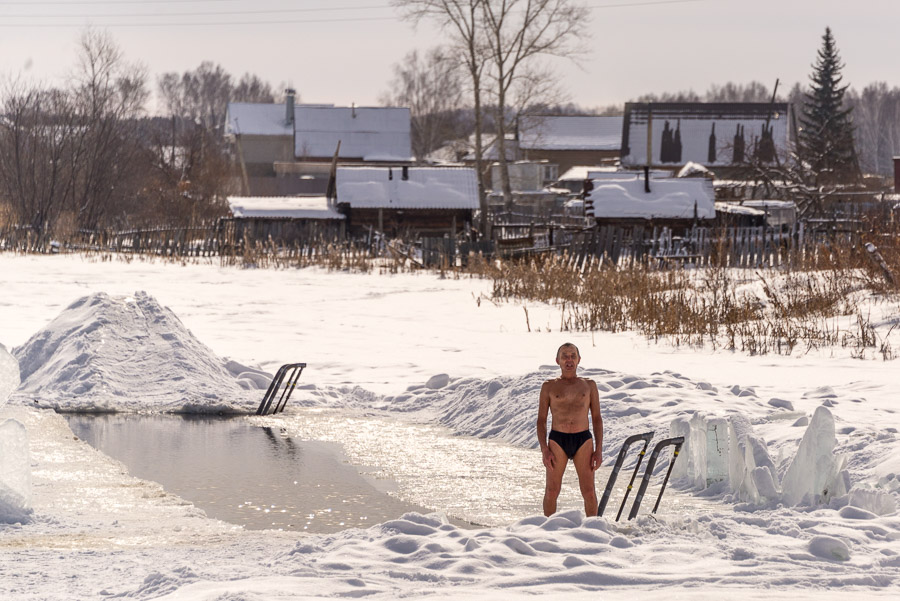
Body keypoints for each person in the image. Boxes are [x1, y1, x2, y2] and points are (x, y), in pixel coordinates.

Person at [536, 342, 603, 517]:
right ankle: (547, 531)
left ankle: (594, 531)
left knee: (589, 492)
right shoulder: (548, 387)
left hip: (583, 440)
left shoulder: (589, 386)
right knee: (551, 491)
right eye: (565, 356)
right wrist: (544, 449)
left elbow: (597, 419)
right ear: (557, 360)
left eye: (573, 356)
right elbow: (541, 420)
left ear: (579, 359)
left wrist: (599, 450)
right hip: (558, 440)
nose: (569, 360)